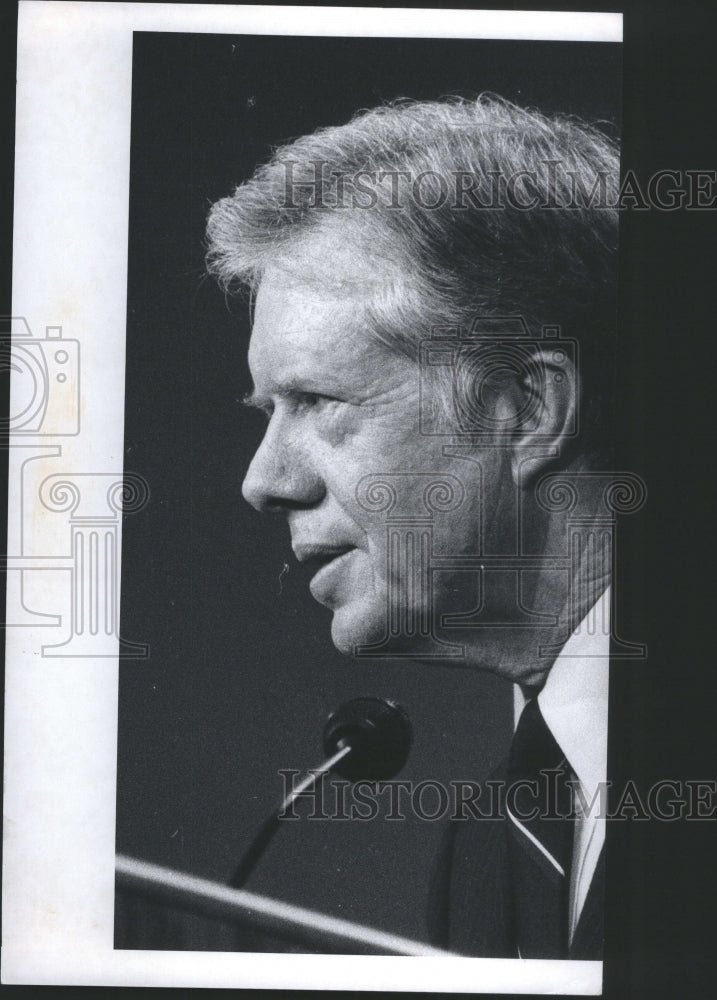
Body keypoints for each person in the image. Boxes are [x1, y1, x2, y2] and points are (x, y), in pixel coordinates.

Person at [205, 95, 620, 960]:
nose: (263, 482)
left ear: (530, 408)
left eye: (319, 402)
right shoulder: (479, 851)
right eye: (267, 410)